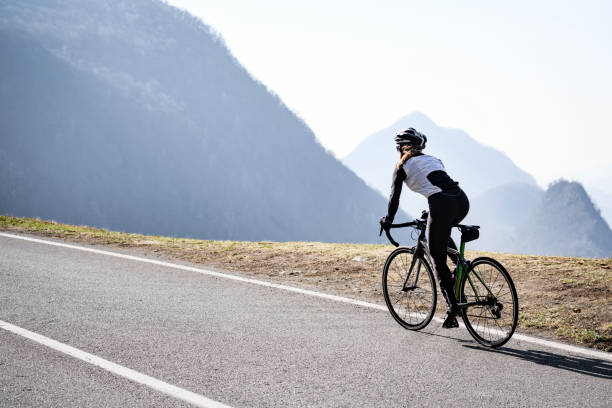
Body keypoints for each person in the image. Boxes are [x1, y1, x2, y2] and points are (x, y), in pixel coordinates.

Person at [380, 128, 469, 328]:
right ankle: (459, 271)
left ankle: (453, 306)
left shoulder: (402, 166)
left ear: (401, 148)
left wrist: (388, 220)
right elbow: (440, 186)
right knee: (441, 234)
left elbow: (394, 197)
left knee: (437, 258)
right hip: (461, 201)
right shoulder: (434, 159)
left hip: (442, 205)